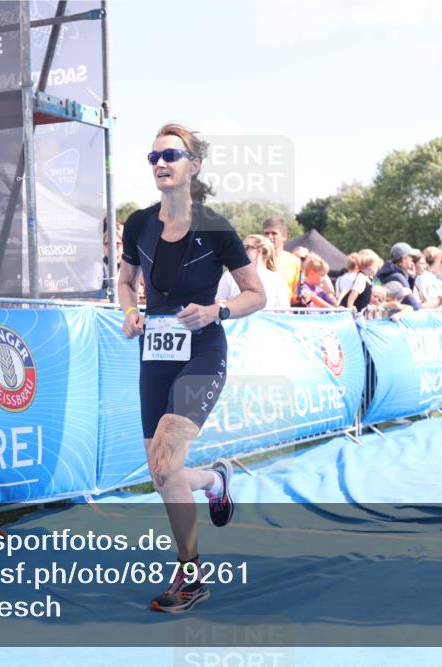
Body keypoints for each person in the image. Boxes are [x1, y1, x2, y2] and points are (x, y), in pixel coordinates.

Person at [117, 124, 265, 613]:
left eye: (171, 156)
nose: (160, 164)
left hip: (202, 352)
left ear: (193, 165)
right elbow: (125, 281)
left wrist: (217, 310)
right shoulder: (140, 224)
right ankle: (215, 481)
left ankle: (191, 576)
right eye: (153, 157)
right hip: (155, 353)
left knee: (164, 464)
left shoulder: (216, 228)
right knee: (163, 473)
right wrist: (129, 311)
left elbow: (256, 295)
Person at [216, 234, 291, 309]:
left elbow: (283, 311)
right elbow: (217, 302)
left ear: (259, 251)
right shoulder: (230, 275)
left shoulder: (277, 280)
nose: (241, 250)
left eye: (246, 247)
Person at [262, 216, 301, 304]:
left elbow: (294, 293)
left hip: (285, 309)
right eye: (266, 233)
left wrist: (302, 297)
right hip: (262, 309)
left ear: (284, 236)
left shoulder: (294, 261)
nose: (269, 237)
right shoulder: (256, 259)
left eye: (274, 233)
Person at [376, 242, 422, 310]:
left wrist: (411, 278)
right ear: (404, 259)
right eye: (411, 258)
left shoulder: (389, 273)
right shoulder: (398, 277)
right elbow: (415, 306)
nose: (413, 262)